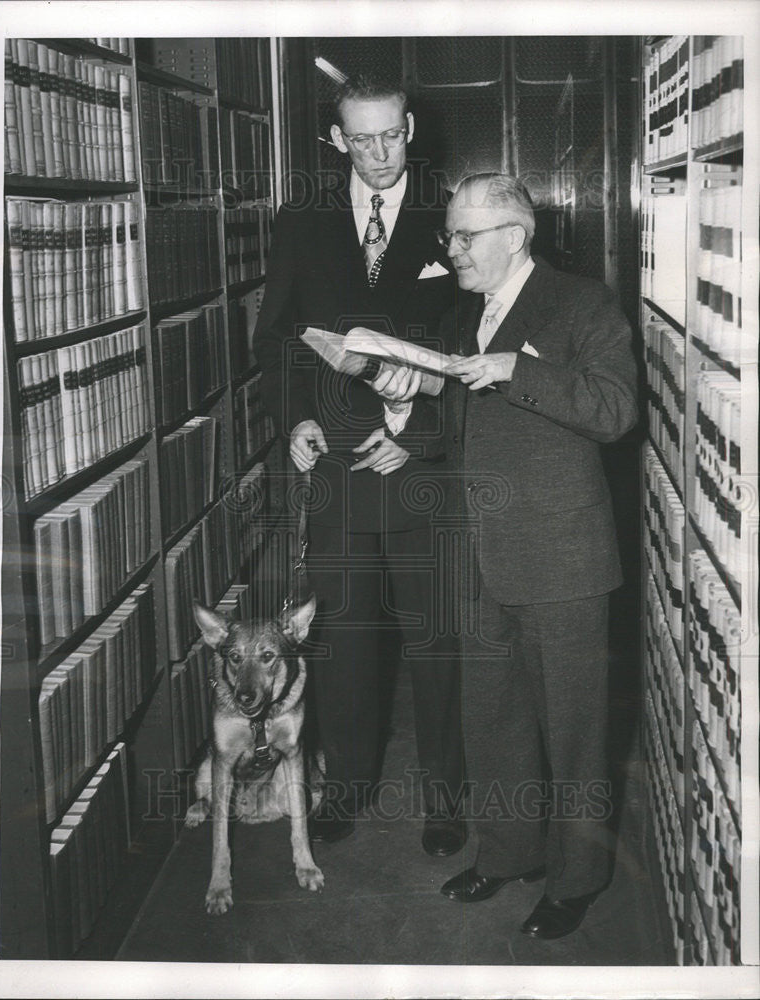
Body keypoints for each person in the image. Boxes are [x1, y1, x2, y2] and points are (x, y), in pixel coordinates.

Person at [252, 74, 466, 855]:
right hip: (337, 464)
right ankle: (345, 787)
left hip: (424, 465)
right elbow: (274, 336)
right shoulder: (302, 219)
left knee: (436, 639)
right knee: (343, 638)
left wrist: (422, 425)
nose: (379, 154)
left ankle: (446, 800)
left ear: (410, 126)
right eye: (361, 140)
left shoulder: (454, 209)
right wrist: (295, 418)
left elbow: (481, 340)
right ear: (335, 141)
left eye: (392, 136)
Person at [433, 173, 638, 939]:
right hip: (483, 554)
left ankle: (577, 877)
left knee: (574, 731)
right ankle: (508, 851)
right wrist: (401, 393)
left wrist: (523, 370)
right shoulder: (464, 314)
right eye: (449, 235)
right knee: (493, 722)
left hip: (563, 557)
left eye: (464, 236)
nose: (450, 250)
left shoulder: (582, 303)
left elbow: (615, 411)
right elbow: (466, 426)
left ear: (513, 237)